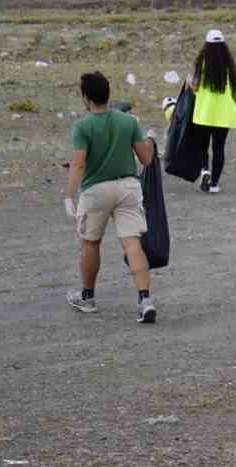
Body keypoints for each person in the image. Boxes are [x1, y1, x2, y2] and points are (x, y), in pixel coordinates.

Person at [64, 71, 157, 323]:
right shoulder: (128, 122)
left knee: (91, 243)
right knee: (132, 243)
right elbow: (146, 159)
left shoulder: (82, 126)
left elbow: (79, 164)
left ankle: (88, 297)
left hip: (96, 191)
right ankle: (145, 299)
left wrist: (69, 196)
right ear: (109, 94)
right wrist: (150, 139)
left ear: (85, 98)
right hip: (128, 187)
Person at [188, 29, 236, 194]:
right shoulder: (229, 67)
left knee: (202, 146)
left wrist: (189, 82)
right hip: (224, 115)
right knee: (219, 148)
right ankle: (214, 183)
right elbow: (235, 93)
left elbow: (195, 87)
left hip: (204, 113)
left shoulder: (201, 64)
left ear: (207, 45)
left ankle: (205, 170)